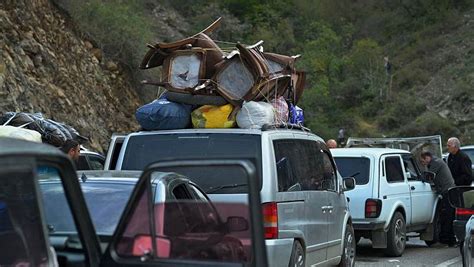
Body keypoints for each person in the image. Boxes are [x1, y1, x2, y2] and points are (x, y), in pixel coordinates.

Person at [420, 151, 456, 246]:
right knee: (448, 215)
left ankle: (447, 240)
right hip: (448, 190)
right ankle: (449, 240)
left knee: (448, 216)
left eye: (423, 161)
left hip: (447, 191)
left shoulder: (435, 163)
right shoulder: (437, 161)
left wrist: (419, 178)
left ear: (427, 157)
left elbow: (427, 177)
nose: (422, 163)